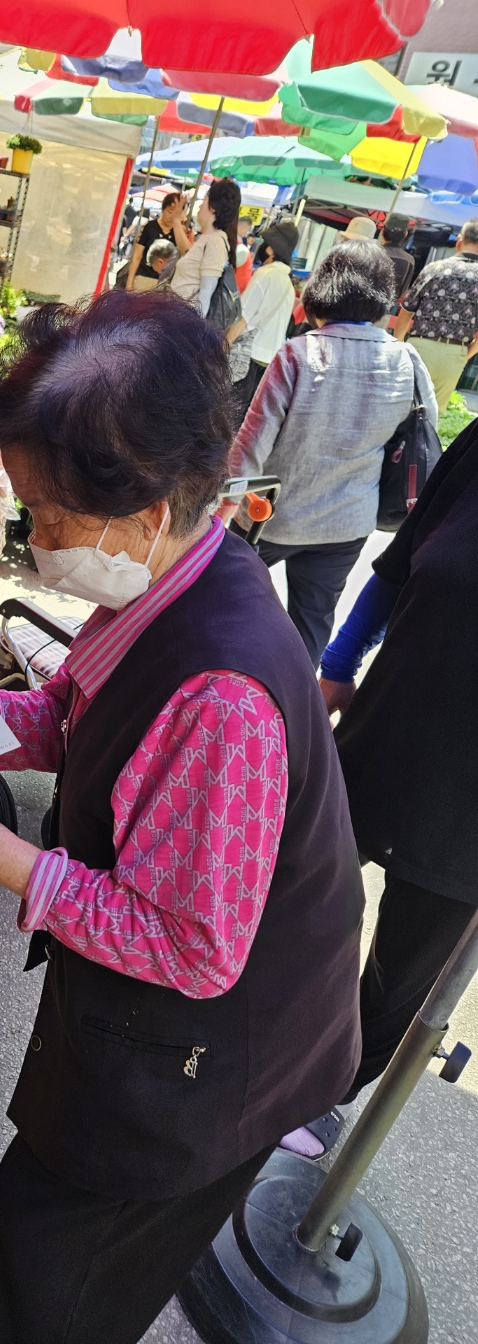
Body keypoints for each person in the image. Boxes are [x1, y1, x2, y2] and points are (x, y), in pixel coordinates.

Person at [0, 289, 364, 1344]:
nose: (34, 539)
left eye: (48, 518)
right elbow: (78, 709)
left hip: (212, 1058)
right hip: (151, 1020)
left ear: (147, 510)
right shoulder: (163, 578)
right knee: (33, 1230)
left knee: (57, 1269)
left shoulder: (224, 693)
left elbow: (187, 942)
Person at [281, 416, 478, 1159]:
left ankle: (321, 1098)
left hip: (467, 820)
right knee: (288, 890)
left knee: (399, 977)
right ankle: (239, 1048)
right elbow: (399, 567)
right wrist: (334, 667)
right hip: (386, 731)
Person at [228, 240, 438, 666]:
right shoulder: (407, 360)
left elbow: (250, 448)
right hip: (347, 524)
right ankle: (289, 713)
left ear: (324, 289)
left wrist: (218, 516)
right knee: (310, 627)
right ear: (383, 297)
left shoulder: (298, 354)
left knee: (224, 605)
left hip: (270, 519)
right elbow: (424, 433)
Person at [395, 217, 478, 417]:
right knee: (432, 415)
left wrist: (398, 344)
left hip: (419, 346)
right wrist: (465, 355)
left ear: (459, 240)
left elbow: (406, 311)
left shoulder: (435, 268)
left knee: (400, 406)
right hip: (455, 351)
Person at [229, 220, 298, 412]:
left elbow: (243, 317)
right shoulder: (288, 285)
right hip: (268, 364)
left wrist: (224, 345)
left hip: (247, 359)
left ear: (271, 250)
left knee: (230, 416)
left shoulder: (265, 274)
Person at [170, 177, 241, 316]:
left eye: (204, 200)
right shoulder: (206, 239)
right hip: (175, 315)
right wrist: (176, 220)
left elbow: (205, 295)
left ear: (213, 207)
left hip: (183, 321)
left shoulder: (216, 241)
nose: (200, 206)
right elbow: (186, 251)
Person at [122, 191, 190, 289]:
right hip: (143, 278)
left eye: (176, 213)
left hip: (166, 283)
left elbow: (186, 252)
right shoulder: (149, 226)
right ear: (162, 209)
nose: (171, 217)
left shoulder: (180, 232)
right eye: (170, 212)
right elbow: (137, 256)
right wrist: (129, 283)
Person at [379, 211, 415, 301]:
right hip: (386, 310)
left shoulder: (371, 252)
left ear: (383, 230)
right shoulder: (409, 260)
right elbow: (403, 291)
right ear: (405, 234)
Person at [234, 216, 254, 293]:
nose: (246, 233)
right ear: (243, 228)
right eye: (247, 230)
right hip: (236, 289)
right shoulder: (240, 248)